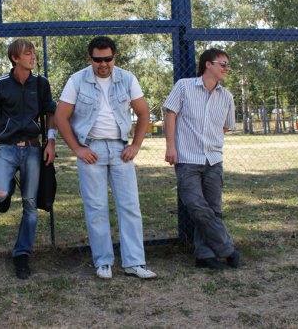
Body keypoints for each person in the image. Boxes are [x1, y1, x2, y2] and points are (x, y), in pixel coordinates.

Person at [55, 36, 156, 280]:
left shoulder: (127, 79)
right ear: (90, 59)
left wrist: (136, 145)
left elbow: (143, 113)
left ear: (115, 57)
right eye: (97, 60)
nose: (103, 64)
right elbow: (60, 116)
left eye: (108, 59)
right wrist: (77, 149)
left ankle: (134, 262)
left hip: (121, 149)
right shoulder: (76, 80)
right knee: (96, 207)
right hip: (91, 150)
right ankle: (103, 262)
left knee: (130, 206)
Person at [163, 48, 240, 271]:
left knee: (213, 209)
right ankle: (227, 249)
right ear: (208, 64)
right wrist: (171, 146)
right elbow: (170, 114)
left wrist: (210, 140)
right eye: (223, 64)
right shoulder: (184, 86)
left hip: (214, 160)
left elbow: (226, 126)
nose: (227, 68)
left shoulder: (227, 96)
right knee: (196, 206)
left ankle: (204, 255)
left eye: (227, 65)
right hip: (187, 159)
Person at [0, 38, 56, 279]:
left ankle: (22, 255)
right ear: (15, 58)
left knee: (30, 205)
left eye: (34, 52)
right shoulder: (1, 84)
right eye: (28, 53)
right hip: (7, 149)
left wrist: (51, 142)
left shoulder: (41, 83)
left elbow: (51, 112)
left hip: (33, 149)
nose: (33, 56)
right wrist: (3, 139)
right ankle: (6, 191)